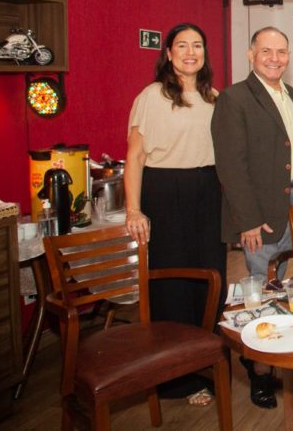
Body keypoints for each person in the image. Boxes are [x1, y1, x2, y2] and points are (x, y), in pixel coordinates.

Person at [123, 22, 226, 406]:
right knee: (172, 285)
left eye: (197, 45)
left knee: (212, 278)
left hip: (207, 191)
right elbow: (135, 157)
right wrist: (133, 210)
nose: (190, 52)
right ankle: (175, 378)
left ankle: (207, 362)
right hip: (164, 192)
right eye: (182, 45)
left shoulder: (214, 97)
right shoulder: (151, 96)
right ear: (168, 53)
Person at [211, 25, 293, 409]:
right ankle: (260, 371)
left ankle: (281, 352)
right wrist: (247, 219)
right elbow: (230, 165)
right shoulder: (234, 98)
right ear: (250, 54)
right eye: (266, 51)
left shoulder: (292, 95)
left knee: (283, 287)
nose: (274, 58)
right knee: (259, 295)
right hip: (259, 213)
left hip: (292, 201)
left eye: (281, 51)